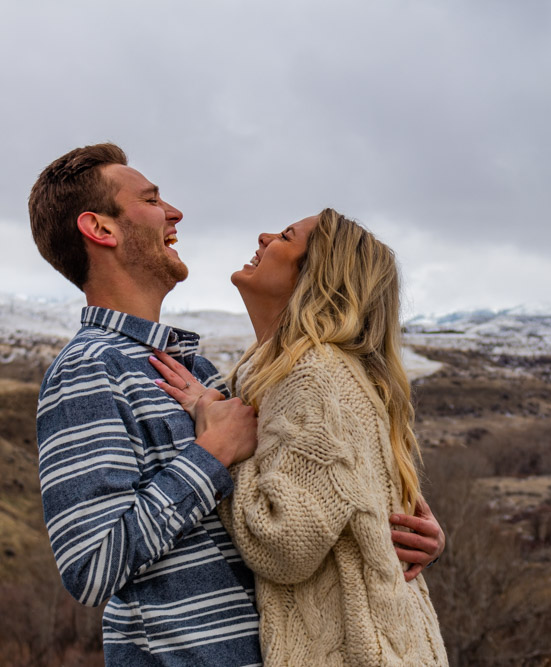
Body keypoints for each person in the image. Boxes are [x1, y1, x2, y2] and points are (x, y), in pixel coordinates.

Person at [28, 144, 444, 666]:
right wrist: (210, 456)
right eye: (153, 199)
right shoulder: (89, 371)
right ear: (102, 230)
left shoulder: (205, 376)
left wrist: (397, 535)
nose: (176, 212)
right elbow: (90, 567)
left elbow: (307, 497)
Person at [151, 209, 448, 665]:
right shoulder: (283, 371)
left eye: (286, 236)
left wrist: (222, 444)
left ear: (316, 277)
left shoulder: (314, 375)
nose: (264, 235)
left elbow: (283, 545)